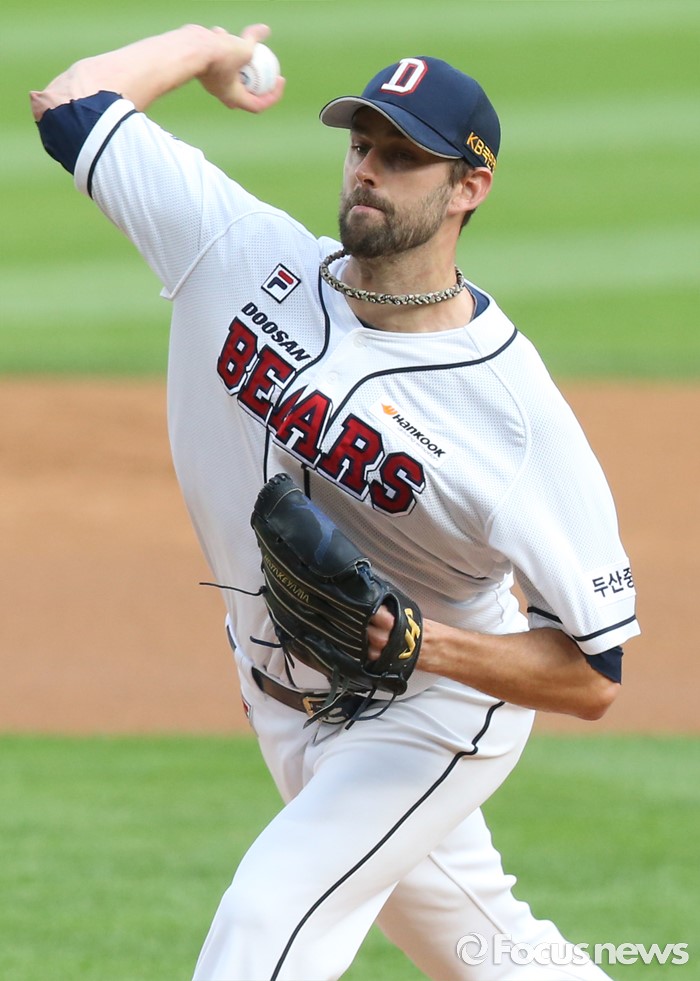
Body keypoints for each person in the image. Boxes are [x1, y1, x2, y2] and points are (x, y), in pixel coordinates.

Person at [31, 23, 640, 981]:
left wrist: (423, 645)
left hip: (431, 714)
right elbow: (69, 104)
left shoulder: (515, 417)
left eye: (404, 156)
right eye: (362, 144)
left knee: (267, 919)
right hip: (278, 696)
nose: (369, 170)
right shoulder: (238, 253)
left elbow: (594, 673)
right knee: (493, 950)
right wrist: (205, 45)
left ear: (469, 187)